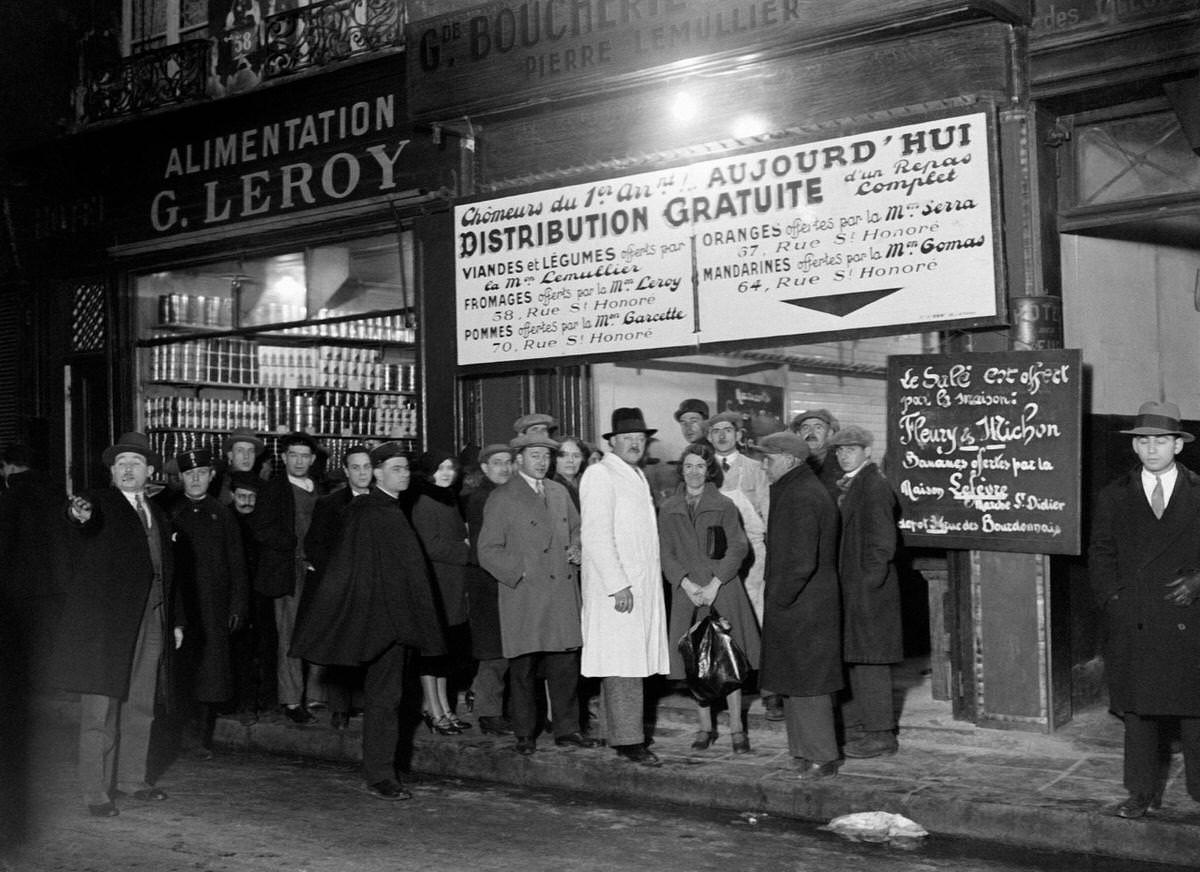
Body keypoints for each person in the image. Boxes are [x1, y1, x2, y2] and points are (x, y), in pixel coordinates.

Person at [290, 442, 445, 800]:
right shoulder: (371, 511)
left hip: (393, 621)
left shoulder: (386, 507)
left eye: (406, 468)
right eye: (395, 468)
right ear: (376, 472)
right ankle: (380, 774)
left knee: (389, 698)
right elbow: (353, 567)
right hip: (383, 623)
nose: (403, 474)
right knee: (384, 699)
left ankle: (384, 768)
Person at [49, 432, 185, 817]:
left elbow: (171, 571)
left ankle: (131, 779)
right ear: (111, 471)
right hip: (106, 624)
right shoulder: (102, 502)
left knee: (142, 703)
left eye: (136, 463)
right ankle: (96, 792)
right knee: (100, 707)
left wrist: (175, 621)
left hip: (152, 618)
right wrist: (78, 513)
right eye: (120, 463)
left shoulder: (158, 512)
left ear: (150, 471)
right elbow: (78, 517)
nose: (128, 469)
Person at [1089, 400, 1200, 818]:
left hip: (1189, 616)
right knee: (1139, 713)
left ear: (1178, 445)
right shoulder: (1114, 495)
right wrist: (1113, 599)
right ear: (1135, 448)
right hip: (1133, 619)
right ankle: (1140, 792)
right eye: (1144, 441)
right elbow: (1100, 553)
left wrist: (1199, 581)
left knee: (1195, 712)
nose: (1152, 449)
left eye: (1161, 440)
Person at [479, 433, 597, 755]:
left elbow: (578, 528)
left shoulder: (559, 492)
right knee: (524, 669)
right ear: (519, 459)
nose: (542, 462)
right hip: (525, 595)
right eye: (534, 456)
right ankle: (525, 733)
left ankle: (567, 729)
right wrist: (519, 573)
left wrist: (577, 547)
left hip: (560, 591)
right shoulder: (503, 497)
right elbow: (487, 550)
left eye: (546, 456)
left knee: (565, 666)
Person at [580, 407, 670, 766]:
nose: (635, 444)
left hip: (638, 584)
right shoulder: (600, 475)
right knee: (624, 664)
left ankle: (611, 731)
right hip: (617, 587)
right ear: (612, 442)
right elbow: (596, 535)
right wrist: (618, 585)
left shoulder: (635, 475)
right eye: (627, 439)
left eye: (640, 439)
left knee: (624, 660)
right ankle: (630, 741)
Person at [660, 443, 759, 754]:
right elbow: (665, 553)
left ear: (709, 470)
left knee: (728, 659)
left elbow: (739, 548)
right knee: (696, 661)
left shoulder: (725, 505)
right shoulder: (668, 507)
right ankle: (705, 727)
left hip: (723, 590)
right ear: (682, 469)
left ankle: (737, 729)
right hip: (688, 593)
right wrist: (687, 585)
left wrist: (716, 584)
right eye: (688, 466)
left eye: (700, 466)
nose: (693, 472)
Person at [757, 431, 843, 780]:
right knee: (794, 680)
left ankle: (823, 756)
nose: (763, 466)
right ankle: (803, 752)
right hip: (801, 600)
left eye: (769, 458)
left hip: (803, 602)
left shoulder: (801, 495)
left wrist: (779, 596)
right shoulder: (795, 488)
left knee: (810, 683)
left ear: (789, 459)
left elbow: (801, 561)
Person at [165, 449, 249, 756]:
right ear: (181, 478)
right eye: (189, 474)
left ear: (212, 476)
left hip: (213, 607)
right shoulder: (170, 512)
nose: (196, 478)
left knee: (210, 673)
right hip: (180, 607)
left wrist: (238, 606)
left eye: (201, 472)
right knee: (180, 671)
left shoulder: (223, 514)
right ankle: (175, 737)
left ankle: (201, 738)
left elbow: (237, 564)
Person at [827, 425, 902, 759]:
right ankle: (865, 725)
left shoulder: (874, 485)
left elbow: (883, 544)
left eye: (852, 449)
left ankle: (882, 736)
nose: (844, 454)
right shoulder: (852, 483)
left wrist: (867, 584)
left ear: (867, 451)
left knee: (871, 661)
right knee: (858, 658)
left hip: (869, 589)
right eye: (840, 450)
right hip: (854, 586)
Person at [248, 432, 323, 724]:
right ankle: (291, 700)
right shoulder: (273, 489)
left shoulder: (318, 487)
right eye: (294, 455)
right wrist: (291, 546)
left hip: (317, 570)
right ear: (284, 458)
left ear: (313, 459)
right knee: (290, 636)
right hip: (289, 571)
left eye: (305, 456)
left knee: (318, 630)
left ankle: (317, 695)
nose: (299, 461)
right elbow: (260, 528)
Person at [300, 445, 374, 729]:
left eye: (366, 466)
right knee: (341, 649)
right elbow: (313, 545)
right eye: (355, 467)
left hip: (373, 587)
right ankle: (340, 709)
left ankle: (366, 703)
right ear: (346, 471)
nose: (362, 473)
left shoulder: (386, 501)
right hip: (342, 587)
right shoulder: (330, 504)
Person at [411, 449, 472, 735]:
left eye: (450, 467)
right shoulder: (425, 502)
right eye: (440, 468)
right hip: (436, 585)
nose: (446, 473)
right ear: (428, 472)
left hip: (453, 584)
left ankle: (443, 707)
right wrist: (466, 550)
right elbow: (430, 545)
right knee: (432, 651)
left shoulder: (449, 499)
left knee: (446, 651)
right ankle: (434, 710)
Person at [0, 443, 68, 691]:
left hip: (21, 583)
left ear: (9, 466)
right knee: (49, 638)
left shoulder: (11, 495)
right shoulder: (56, 491)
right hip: (55, 580)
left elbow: (5, 541)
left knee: (22, 645)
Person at [462, 444, 515, 737]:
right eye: (497, 463)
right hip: (487, 582)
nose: (504, 468)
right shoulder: (481, 498)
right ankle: (488, 713)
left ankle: (489, 706)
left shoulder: (506, 494)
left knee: (503, 651)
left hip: (502, 581)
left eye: (508, 462)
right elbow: (488, 548)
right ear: (484, 468)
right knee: (493, 653)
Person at [706, 411, 770, 624]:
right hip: (714, 550)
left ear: (739, 435)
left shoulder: (756, 468)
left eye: (728, 430)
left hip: (752, 549)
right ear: (709, 437)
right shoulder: (702, 468)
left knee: (752, 606)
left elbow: (767, 512)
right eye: (716, 431)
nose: (722, 436)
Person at [227, 470, 274, 723]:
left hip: (260, 595)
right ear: (232, 495)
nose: (246, 501)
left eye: (251, 497)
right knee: (239, 652)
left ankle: (263, 701)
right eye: (241, 496)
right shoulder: (225, 518)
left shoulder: (264, 521)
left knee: (263, 648)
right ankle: (243, 703)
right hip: (234, 596)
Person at [790, 409, 843, 503]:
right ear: (798, 434)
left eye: (818, 428)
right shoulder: (790, 463)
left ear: (829, 433)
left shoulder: (843, 463)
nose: (811, 433)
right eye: (805, 428)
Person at [214, 427, 265, 506]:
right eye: (240, 450)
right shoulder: (217, 484)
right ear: (230, 455)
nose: (246, 456)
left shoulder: (264, 487)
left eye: (250, 451)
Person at [552, 435, 592, 510]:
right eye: (563, 456)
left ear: (583, 459)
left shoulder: (588, 483)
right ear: (554, 459)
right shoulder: (550, 488)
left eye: (576, 456)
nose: (570, 460)